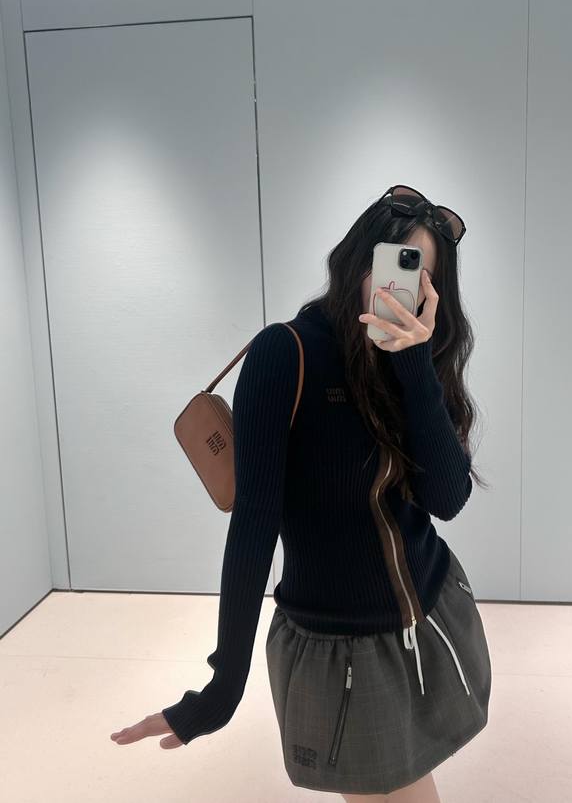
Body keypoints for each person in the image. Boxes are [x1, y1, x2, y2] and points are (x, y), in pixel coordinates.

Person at [110, 185, 492, 802]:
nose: (395, 283)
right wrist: (221, 690)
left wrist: (414, 364)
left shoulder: (419, 361)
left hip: (429, 616)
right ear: (358, 256)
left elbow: (446, 498)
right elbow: (253, 527)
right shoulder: (286, 354)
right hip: (343, 651)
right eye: (391, 258)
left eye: (417, 271)